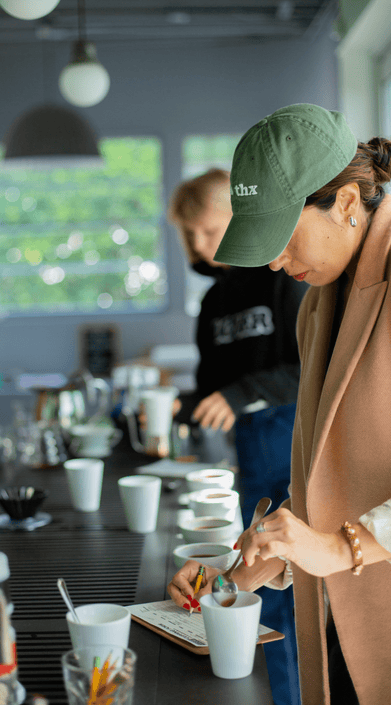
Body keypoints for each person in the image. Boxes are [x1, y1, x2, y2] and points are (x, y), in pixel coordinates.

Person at [167, 103, 391, 705]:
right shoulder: (321, 300)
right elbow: (326, 476)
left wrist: (335, 547)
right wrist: (241, 575)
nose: (270, 261)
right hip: (352, 611)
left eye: (282, 237)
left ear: (346, 203)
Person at [167, 168, 306, 705]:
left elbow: (311, 367)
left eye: (208, 229)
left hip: (294, 437)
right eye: (190, 234)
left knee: (282, 597)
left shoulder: (284, 275)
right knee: (258, 589)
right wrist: (182, 408)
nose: (200, 244)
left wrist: (242, 393)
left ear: (238, 219)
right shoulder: (212, 304)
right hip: (251, 452)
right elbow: (209, 389)